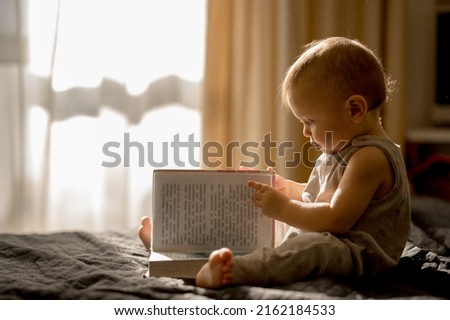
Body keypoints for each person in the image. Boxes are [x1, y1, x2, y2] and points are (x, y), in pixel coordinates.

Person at [139, 37, 411, 289]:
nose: (305, 132)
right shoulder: (344, 149)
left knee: (310, 248)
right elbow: (319, 195)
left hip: (354, 251)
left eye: (310, 121)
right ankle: (175, 249)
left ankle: (232, 272)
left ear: (354, 109)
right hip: (326, 232)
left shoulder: (371, 157)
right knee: (256, 225)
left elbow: (337, 218)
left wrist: (284, 208)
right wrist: (284, 188)